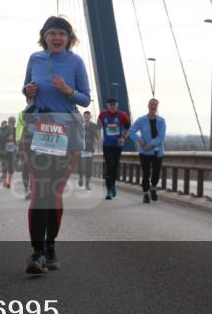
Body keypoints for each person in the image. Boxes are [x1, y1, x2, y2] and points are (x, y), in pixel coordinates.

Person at [21, 15, 91, 274]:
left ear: (69, 38)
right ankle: (37, 252)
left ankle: (51, 246)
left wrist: (68, 91)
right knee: (41, 191)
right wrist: (27, 91)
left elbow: (86, 99)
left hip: (67, 131)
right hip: (38, 127)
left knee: (54, 193)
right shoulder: (34, 59)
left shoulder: (76, 62)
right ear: (45, 36)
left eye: (62, 33)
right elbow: (26, 88)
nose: (57, 37)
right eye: (52, 33)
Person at [129, 99, 167, 203]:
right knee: (146, 174)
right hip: (144, 152)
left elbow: (161, 137)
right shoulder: (141, 120)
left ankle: (153, 188)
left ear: (157, 106)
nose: (153, 106)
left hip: (157, 151)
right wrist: (140, 141)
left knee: (156, 174)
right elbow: (131, 131)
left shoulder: (161, 121)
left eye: (155, 104)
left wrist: (149, 145)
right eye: (151, 104)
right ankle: (146, 194)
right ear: (148, 106)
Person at [97, 97, 130, 200]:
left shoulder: (122, 115)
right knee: (109, 166)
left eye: (114, 105)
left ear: (117, 105)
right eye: (111, 105)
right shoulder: (103, 114)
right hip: (107, 146)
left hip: (117, 146)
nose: (112, 107)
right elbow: (97, 127)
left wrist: (123, 138)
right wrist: (99, 138)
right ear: (107, 106)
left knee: (114, 168)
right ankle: (108, 191)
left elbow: (128, 128)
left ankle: (112, 185)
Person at [78, 110, 99, 190]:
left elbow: (97, 137)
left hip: (90, 149)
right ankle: (80, 177)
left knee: (89, 167)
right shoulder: (79, 125)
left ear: (90, 117)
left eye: (88, 116)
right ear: (83, 117)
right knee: (81, 165)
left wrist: (96, 142)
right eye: (85, 116)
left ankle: (87, 184)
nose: (86, 118)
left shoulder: (94, 125)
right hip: (81, 149)